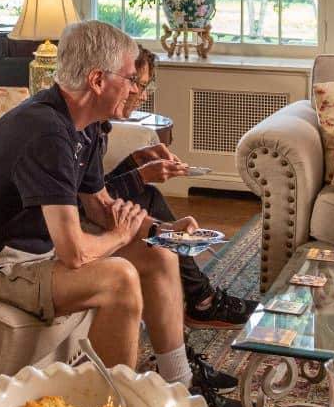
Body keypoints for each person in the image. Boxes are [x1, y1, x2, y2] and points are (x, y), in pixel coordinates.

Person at [0, 20, 234, 407]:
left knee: (158, 254)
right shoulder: (46, 132)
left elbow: (101, 208)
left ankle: (181, 388)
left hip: (39, 251)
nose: (135, 89)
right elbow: (75, 254)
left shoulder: (87, 127)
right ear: (98, 80)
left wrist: (166, 231)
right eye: (131, 78)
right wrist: (119, 238)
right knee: (118, 278)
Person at [108, 48, 258, 331]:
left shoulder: (95, 127)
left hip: (94, 210)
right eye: (138, 84)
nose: (142, 94)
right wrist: (139, 175)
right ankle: (202, 300)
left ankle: (201, 298)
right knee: (150, 204)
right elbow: (90, 200)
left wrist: (136, 160)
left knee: (148, 195)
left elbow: (95, 188)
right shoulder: (75, 129)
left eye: (144, 85)